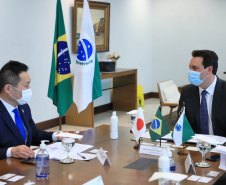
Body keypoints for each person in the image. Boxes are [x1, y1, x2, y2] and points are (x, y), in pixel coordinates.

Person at [0, 61, 61, 160]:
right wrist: (10, 151)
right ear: (8, 89)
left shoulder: (23, 106)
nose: (29, 89)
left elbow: (33, 134)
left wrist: (56, 136)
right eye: (26, 85)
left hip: (24, 165)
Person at [178, 50, 226, 137]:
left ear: (209, 70)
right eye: (190, 67)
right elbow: (181, 123)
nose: (190, 71)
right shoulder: (187, 91)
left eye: (195, 68)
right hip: (194, 144)